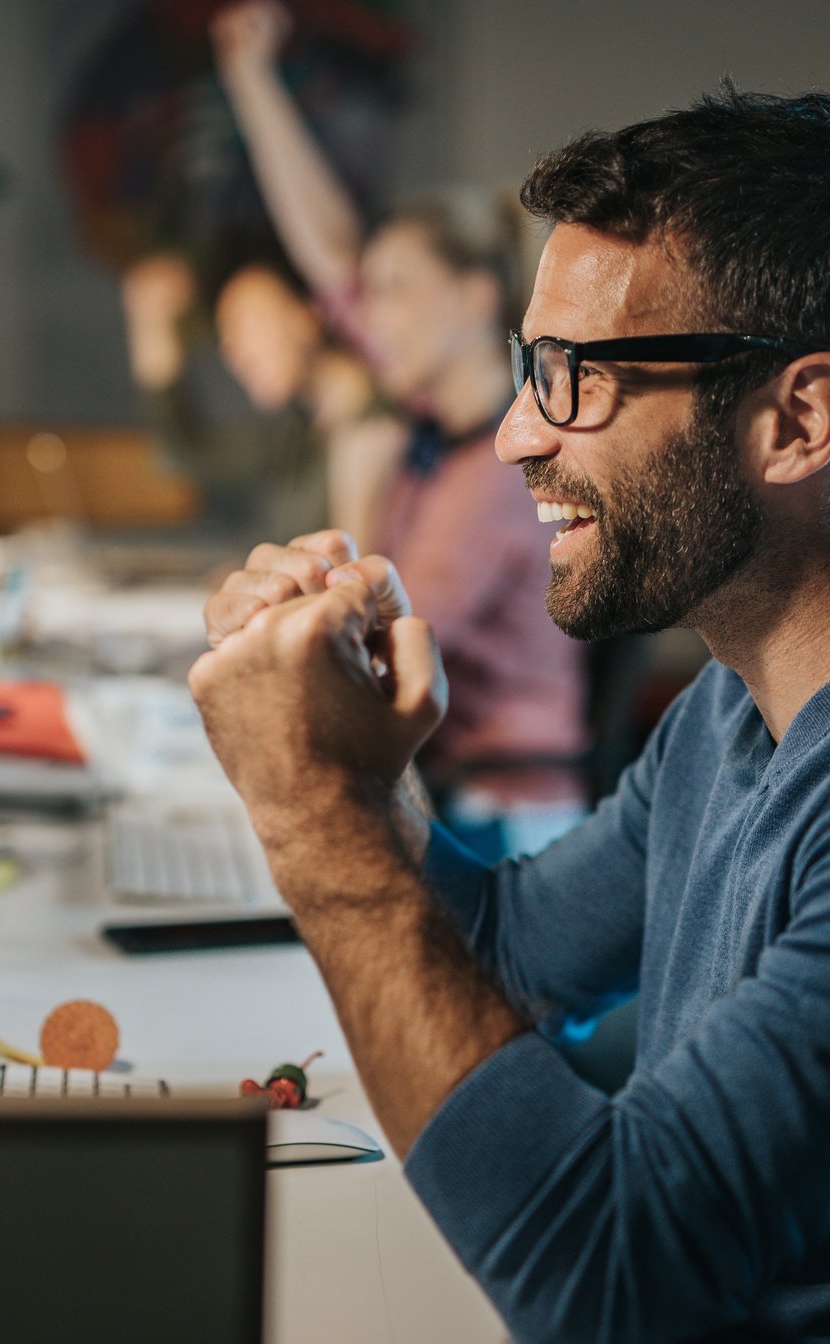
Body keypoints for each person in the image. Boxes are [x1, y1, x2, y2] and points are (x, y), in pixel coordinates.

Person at [188, 85, 830, 1342]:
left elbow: (607, 1276)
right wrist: (351, 766)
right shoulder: (742, 701)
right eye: (527, 371)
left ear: (797, 421)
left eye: (574, 380)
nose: (514, 437)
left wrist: (311, 816)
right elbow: (500, 961)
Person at [211, 0, 588, 858]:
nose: (364, 315)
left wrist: (352, 489)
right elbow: (330, 255)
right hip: (449, 791)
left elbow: (380, 660)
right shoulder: (435, 424)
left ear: (471, 298)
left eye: (394, 291)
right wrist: (250, 78)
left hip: (504, 820)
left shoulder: (503, 470)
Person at [119, 252, 401, 546]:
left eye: (245, 325)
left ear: (307, 315)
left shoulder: (374, 428)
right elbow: (187, 455)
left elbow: (354, 581)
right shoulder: (299, 437)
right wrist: (153, 330)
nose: (235, 353)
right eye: (227, 338)